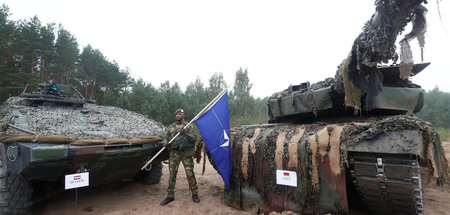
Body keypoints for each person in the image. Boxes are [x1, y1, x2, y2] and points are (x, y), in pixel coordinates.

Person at [160, 108, 200, 205]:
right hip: (174, 154)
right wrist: (165, 144)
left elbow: (194, 138)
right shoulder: (171, 127)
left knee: (190, 173)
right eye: (177, 114)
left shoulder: (188, 126)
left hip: (186, 153)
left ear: (183, 115)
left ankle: (195, 194)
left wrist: (185, 134)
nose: (178, 115)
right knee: (172, 174)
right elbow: (166, 139)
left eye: (180, 114)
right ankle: (170, 195)